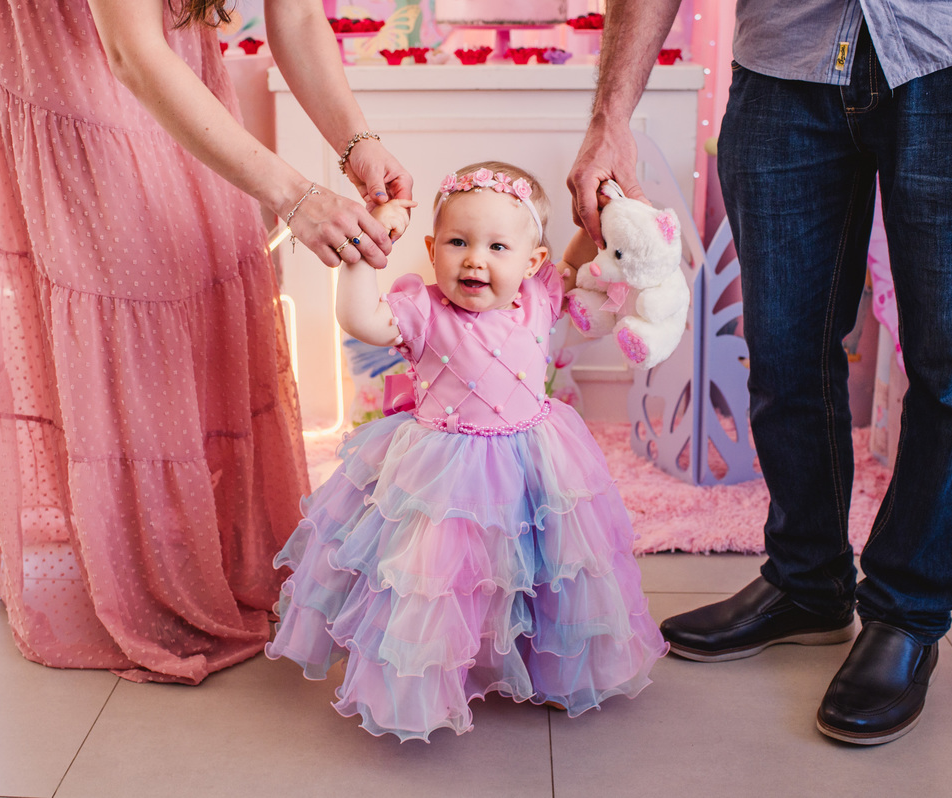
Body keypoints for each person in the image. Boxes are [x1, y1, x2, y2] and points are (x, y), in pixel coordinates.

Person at [568, 0, 952, 744]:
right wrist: (612, 114)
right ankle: (807, 581)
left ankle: (906, 614)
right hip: (786, 55)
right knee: (784, 346)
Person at [0, 0, 411, 684]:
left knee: (198, 247)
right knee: (120, 266)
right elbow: (131, 55)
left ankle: (178, 531)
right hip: (51, 29)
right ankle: (136, 558)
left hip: (159, 35)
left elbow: (298, 16)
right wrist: (296, 198)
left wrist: (357, 141)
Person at [265, 162, 668, 741]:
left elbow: (579, 260)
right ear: (432, 249)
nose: (474, 258)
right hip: (445, 476)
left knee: (548, 569)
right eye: (458, 242)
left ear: (531, 262)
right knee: (437, 582)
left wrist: (597, 212)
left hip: (534, 461)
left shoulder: (540, 296)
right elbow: (360, 319)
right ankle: (425, 681)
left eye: (496, 246)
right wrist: (361, 254)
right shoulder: (424, 310)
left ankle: (549, 667)